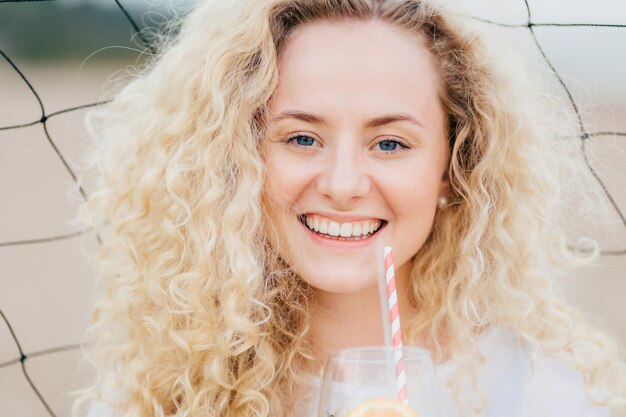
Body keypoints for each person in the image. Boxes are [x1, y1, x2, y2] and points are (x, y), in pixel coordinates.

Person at [73, 0, 626, 416]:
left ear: (456, 169)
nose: (342, 184)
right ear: (236, 159)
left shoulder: (550, 396)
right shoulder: (159, 395)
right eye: (301, 138)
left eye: (390, 144)